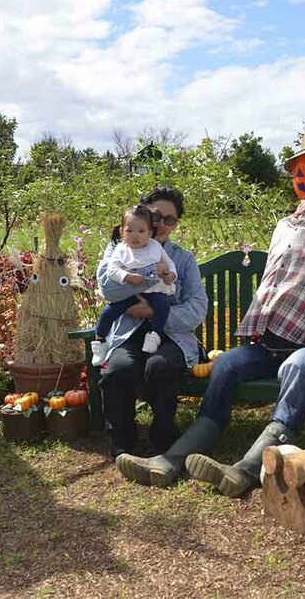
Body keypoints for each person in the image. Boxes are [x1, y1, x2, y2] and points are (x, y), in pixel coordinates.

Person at [116, 129, 305, 497]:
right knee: (228, 366)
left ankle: (247, 468)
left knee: (298, 367)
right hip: (266, 344)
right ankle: (171, 459)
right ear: (297, 173)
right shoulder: (285, 226)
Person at [96, 186, 207, 459]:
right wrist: (143, 284)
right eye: (157, 216)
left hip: (171, 335)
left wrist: (154, 313)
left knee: (160, 365)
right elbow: (107, 289)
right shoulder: (119, 249)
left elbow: (197, 308)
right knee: (117, 369)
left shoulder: (182, 259)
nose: (162, 224)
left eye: (170, 219)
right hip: (129, 332)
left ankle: (163, 436)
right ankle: (123, 438)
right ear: (144, 214)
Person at [91, 204, 178, 367]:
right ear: (122, 232)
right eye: (129, 231)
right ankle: (100, 341)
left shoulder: (155, 247)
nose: (135, 236)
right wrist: (127, 276)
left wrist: (171, 274)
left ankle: (154, 335)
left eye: (141, 231)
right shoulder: (120, 249)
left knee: (162, 304)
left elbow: (169, 263)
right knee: (109, 312)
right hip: (129, 294)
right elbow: (112, 270)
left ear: (149, 233)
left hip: (153, 291)